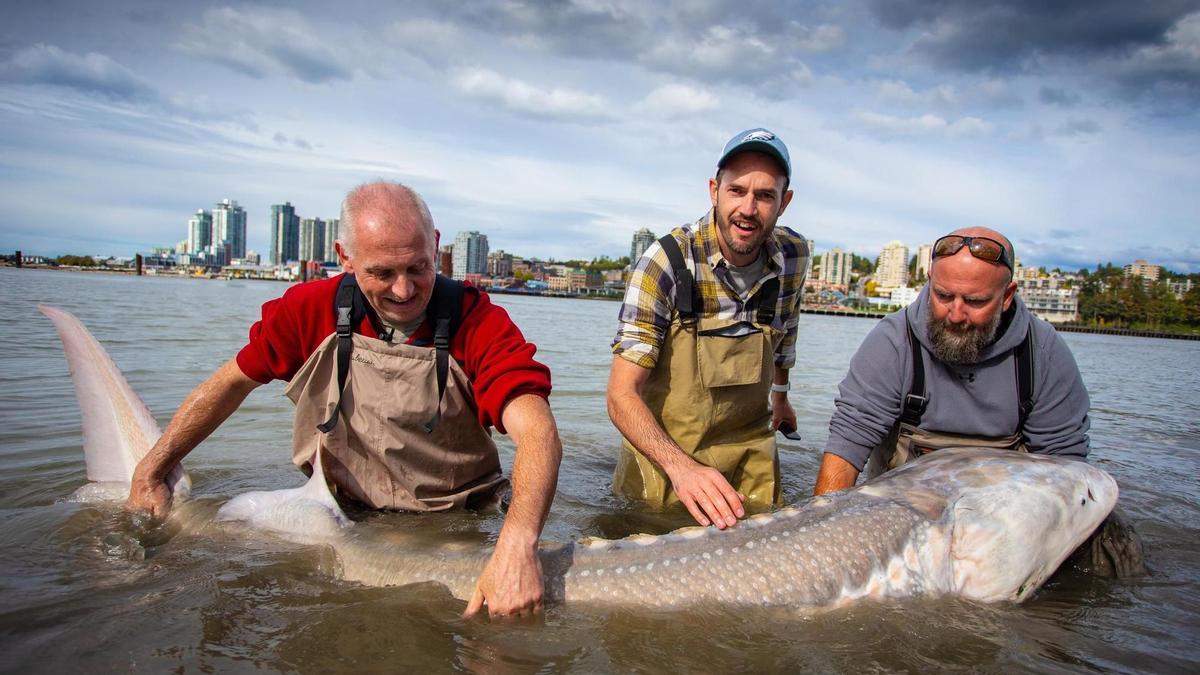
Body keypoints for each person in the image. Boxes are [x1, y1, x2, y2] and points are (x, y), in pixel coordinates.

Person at [128, 181, 563, 617]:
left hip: (454, 516)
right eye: (382, 273)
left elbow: (538, 432)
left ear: (435, 245)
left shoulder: (477, 321)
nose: (404, 291)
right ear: (345, 257)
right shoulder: (309, 310)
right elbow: (229, 386)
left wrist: (517, 544)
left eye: (418, 268)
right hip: (336, 509)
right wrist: (151, 470)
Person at [814, 226, 1145, 576]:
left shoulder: (1043, 353)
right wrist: (822, 546)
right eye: (943, 296)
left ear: (1007, 296)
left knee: (1111, 543)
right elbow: (847, 446)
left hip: (1003, 520)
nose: (956, 315)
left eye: (974, 302)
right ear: (929, 282)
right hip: (903, 512)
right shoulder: (893, 342)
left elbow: (1065, 473)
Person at [608, 128, 810, 530]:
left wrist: (781, 396)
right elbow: (620, 395)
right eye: (737, 191)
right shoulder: (666, 261)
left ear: (784, 202)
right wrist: (681, 468)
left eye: (765, 195)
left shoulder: (793, 255)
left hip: (750, 453)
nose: (748, 209)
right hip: (666, 458)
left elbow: (785, 331)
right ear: (714, 191)